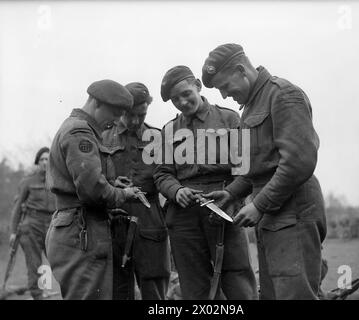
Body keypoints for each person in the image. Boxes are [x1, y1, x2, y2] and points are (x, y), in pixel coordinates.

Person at [201, 43, 326, 300]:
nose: (224, 96)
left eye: (225, 86)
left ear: (240, 70)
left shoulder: (283, 95)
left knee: (295, 295)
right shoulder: (251, 106)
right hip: (273, 214)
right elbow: (257, 166)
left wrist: (258, 204)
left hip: (292, 212)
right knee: (272, 294)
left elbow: (298, 162)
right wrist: (232, 194)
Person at [153, 65, 258, 300]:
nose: (182, 102)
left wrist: (231, 195)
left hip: (223, 207)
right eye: (174, 99)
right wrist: (176, 190)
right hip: (184, 215)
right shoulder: (169, 130)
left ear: (198, 86)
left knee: (237, 279)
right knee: (194, 285)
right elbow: (161, 174)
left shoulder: (229, 119)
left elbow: (246, 170)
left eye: (186, 94)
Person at [45, 79, 140, 300]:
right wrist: (123, 194)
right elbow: (92, 191)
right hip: (82, 229)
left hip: (78, 226)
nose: (116, 121)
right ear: (96, 103)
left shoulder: (79, 129)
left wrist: (111, 185)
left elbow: (82, 182)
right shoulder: (80, 131)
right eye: (114, 113)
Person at [102, 82, 171, 300]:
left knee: (155, 288)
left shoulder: (158, 138)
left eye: (141, 115)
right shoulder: (102, 137)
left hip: (149, 218)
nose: (134, 121)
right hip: (114, 218)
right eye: (129, 115)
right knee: (117, 289)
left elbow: (170, 177)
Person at [9, 147, 56, 299]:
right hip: (32, 226)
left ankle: (45, 290)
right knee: (34, 263)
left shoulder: (58, 180)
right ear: (37, 162)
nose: (44, 162)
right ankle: (37, 294)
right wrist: (13, 232)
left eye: (47, 159)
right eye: (41, 159)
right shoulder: (28, 181)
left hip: (52, 225)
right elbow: (17, 208)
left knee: (54, 260)